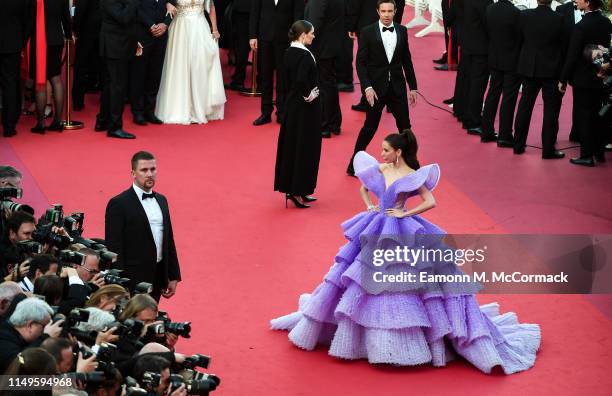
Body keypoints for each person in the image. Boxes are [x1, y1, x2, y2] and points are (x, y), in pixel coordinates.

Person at [271, 130, 541, 373]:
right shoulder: (380, 168)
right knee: (360, 275)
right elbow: (364, 187)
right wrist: (370, 206)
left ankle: (404, 340)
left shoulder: (413, 175)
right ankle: (366, 334)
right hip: (377, 225)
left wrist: (405, 212)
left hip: (402, 228)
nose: (382, 153)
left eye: (386, 150)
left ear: (398, 152)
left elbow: (430, 201)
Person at [347, 0, 418, 177]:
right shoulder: (367, 32)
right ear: (378, 11)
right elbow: (361, 63)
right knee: (370, 127)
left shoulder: (402, 30)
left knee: (405, 127)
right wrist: (367, 87)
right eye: (383, 11)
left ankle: (411, 163)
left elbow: (406, 60)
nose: (386, 14)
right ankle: (353, 163)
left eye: (390, 11)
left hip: (397, 87)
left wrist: (413, 87)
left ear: (395, 11)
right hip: (376, 89)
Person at [105, 151, 181, 301]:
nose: (149, 174)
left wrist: (173, 275)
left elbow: (168, 239)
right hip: (132, 279)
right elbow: (114, 247)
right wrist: (120, 283)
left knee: (150, 319)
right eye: (144, 170)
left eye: (153, 169)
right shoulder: (119, 204)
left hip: (158, 275)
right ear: (133, 173)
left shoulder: (161, 200)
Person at [274, 21, 322, 209]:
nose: (313, 36)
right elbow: (301, 79)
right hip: (305, 109)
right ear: (302, 35)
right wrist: (308, 95)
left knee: (294, 145)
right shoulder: (303, 55)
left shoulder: (289, 52)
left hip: (293, 107)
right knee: (304, 147)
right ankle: (296, 191)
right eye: (311, 33)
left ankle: (297, 189)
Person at [154, 0, 226, 124]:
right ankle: (179, 107)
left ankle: (200, 107)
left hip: (200, 28)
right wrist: (167, 3)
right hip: (180, 29)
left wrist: (214, 29)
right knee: (180, 68)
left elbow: (211, 7)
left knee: (199, 66)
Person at [559, 0, 612, 167]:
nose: (576, 0)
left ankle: (587, 155)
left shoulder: (581, 26)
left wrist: (563, 78)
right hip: (602, 77)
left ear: (588, 3)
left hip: (583, 79)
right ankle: (599, 153)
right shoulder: (607, 22)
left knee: (584, 116)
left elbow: (572, 56)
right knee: (600, 115)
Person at [513, 0, 565, 159]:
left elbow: (519, 40)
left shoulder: (524, 15)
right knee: (551, 110)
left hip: (529, 68)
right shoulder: (559, 18)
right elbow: (563, 46)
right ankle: (548, 150)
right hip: (551, 70)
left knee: (524, 107)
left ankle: (518, 145)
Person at [249, 0, 304, 125]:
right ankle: (265, 112)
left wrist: (295, 38)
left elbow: (298, 14)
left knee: (283, 77)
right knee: (265, 76)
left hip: (285, 39)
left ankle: (282, 112)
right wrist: (252, 35)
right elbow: (255, 12)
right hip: (264, 37)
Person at [481, 0, 521, 146]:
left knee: (492, 93)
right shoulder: (515, 12)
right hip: (511, 60)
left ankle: (486, 131)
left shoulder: (489, 9)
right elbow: (518, 36)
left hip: (494, 57)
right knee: (508, 98)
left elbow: (486, 31)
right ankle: (504, 135)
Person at [97, 0, 139, 139]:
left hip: (120, 44)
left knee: (111, 85)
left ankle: (103, 121)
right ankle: (115, 127)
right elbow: (124, 17)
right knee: (117, 86)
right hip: (115, 45)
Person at [29, 0, 73, 134]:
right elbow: (66, 17)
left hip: (39, 39)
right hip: (56, 39)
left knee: (40, 80)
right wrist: (69, 35)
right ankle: (58, 120)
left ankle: (41, 122)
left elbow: (29, 17)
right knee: (56, 79)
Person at [305, 0, 344, 139]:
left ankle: (324, 126)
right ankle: (334, 123)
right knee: (329, 84)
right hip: (331, 47)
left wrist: (305, 45)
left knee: (322, 86)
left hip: (321, 48)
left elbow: (313, 26)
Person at [130, 0, 173, 126]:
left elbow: (173, 5)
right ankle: (137, 112)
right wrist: (151, 25)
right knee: (138, 74)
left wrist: (165, 25)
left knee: (155, 74)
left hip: (161, 36)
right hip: (142, 34)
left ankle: (149, 110)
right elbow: (135, 8)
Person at [1, 0, 34, 138]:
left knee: (10, 84)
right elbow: (29, 21)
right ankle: (9, 125)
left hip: (13, 42)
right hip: (12, 43)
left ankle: (10, 122)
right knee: (10, 84)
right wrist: (21, 42)